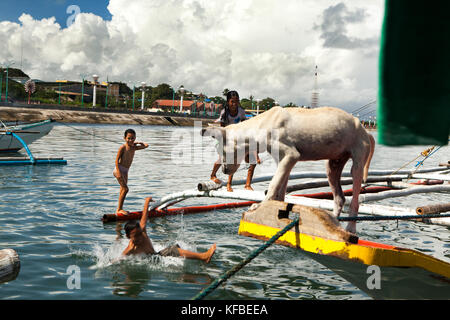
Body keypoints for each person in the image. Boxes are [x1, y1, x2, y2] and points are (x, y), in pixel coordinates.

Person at [122, 197, 217, 263]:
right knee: (172, 250)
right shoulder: (131, 249)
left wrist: (147, 202)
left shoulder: (142, 231)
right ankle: (203, 257)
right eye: (136, 236)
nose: (140, 237)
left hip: (156, 256)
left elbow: (144, 217)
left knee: (177, 247)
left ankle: (197, 260)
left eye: (139, 234)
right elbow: (119, 260)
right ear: (128, 236)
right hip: (153, 261)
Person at [210, 90, 261, 192]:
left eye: (236, 101)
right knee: (226, 159)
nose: (234, 104)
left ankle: (247, 184)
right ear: (228, 101)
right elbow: (223, 130)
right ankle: (215, 176)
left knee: (253, 161)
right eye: (232, 102)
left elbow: (245, 127)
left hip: (238, 138)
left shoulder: (241, 111)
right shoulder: (224, 112)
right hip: (225, 139)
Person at [114, 129, 148, 215]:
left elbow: (146, 145)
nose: (130, 140)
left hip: (125, 171)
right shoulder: (123, 147)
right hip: (119, 169)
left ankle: (119, 209)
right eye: (128, 138)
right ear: (124, 138)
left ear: (135, 138)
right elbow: (116, 160)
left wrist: (137, 143)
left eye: (132, 138)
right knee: (126, 189)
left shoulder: (134, 148)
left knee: (122, 189)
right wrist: (118, 172)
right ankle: (119, 209)